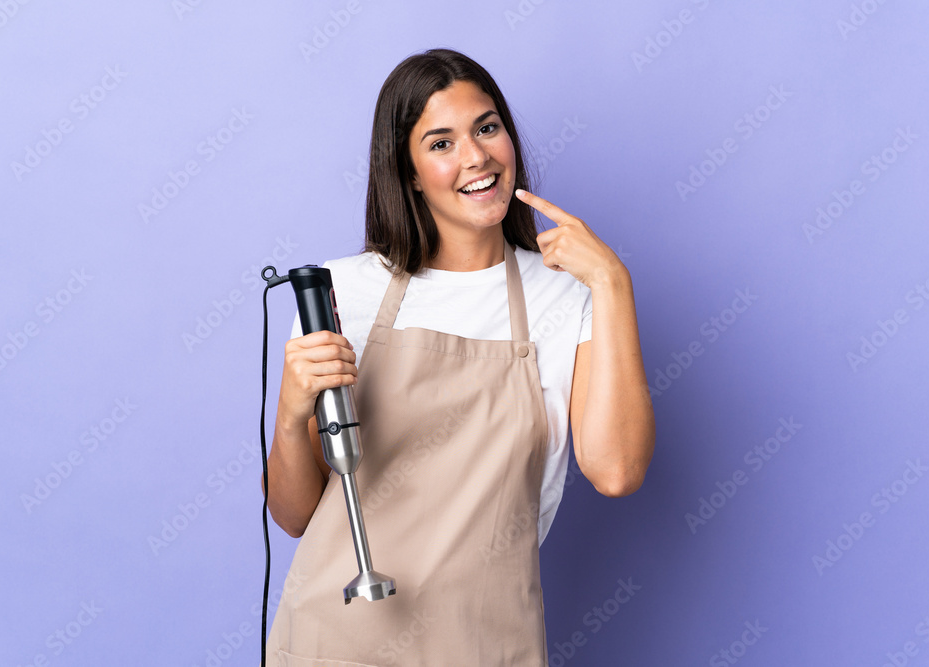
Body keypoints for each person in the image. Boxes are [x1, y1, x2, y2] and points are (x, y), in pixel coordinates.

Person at [264, 48, 654, 666]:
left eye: (487, 127)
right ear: (410, 171)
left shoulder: (567, 293)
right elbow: (294, 516)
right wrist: (289, 418)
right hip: (336, 638)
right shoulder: (342, 292)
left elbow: (616, 470)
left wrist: (612, 282)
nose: (476, 156)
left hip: (485, 641)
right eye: (440, 143)